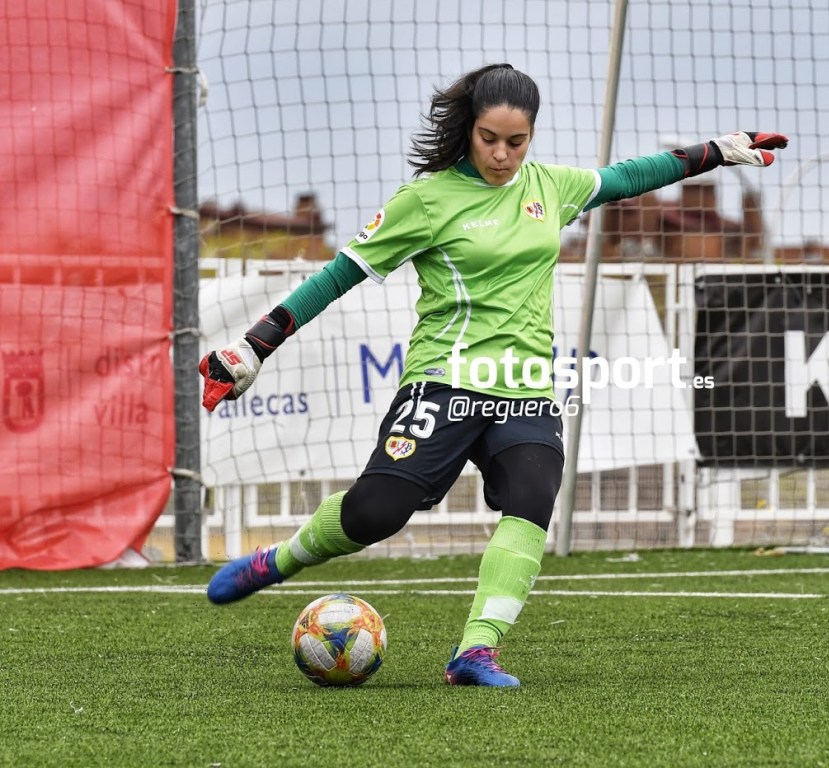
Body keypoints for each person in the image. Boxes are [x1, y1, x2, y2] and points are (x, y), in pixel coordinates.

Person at [200, 63, 787, 687]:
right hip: (443, 380)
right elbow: (337, 276)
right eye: (489, 139)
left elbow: (631, 175)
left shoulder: (550, 187)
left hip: (525, 389)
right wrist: (257, 344)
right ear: (468, 130)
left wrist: (718, 152)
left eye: (516, 141)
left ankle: (476, 651)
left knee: (532, 497)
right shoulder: (425, 200)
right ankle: (279, 560)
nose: (502, 155)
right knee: (376, 513)